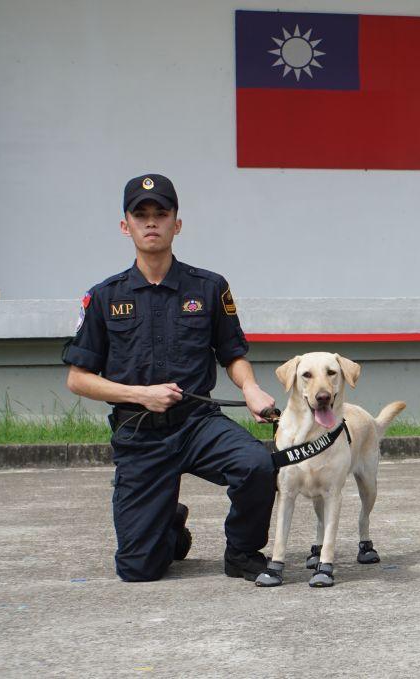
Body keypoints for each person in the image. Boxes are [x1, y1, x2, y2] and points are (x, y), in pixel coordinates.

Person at [63, 174, 278, 582]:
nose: (151, 222)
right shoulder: (104, 297)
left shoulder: (210, 287)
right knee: (139, 570)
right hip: (140, 434)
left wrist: (250, 389)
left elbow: (233, 354)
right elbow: (78, 378)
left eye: (161, 214)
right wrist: (140, 394)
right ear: (125, 225)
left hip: (198, 424)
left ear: (176, 224)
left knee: (257, 464)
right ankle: (169, 523)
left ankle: (242, 551)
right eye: (140, 215)